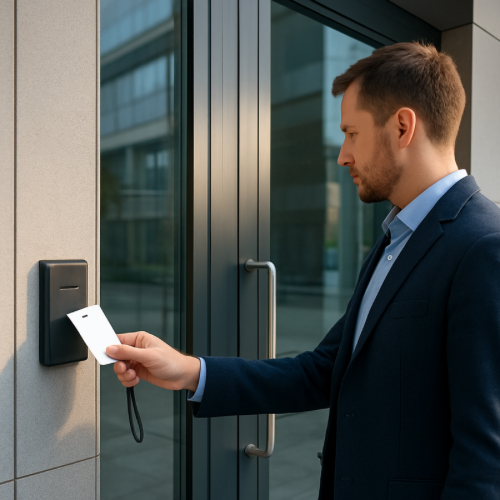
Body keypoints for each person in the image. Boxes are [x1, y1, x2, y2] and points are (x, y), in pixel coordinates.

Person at [106, 42, 500, 500]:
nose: (342, 155)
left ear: (402, 126)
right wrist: (189, 371)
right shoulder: (398, 237)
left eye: (352, 133)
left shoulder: (484, 248)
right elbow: (325, 369)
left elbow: (486, 461)